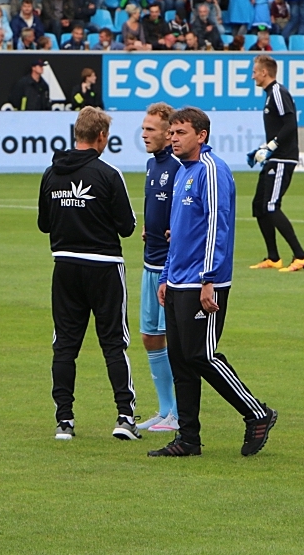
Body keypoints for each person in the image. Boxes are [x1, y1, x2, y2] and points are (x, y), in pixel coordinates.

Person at [147, 107, 277, 458]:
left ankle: (257, 412)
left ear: (201, 135)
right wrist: (165, 275)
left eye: (181, 132)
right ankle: (188, 439)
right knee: (180, 359)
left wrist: (209, 280)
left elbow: (218, 229)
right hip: (177, 281)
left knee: (200, 355)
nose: (173, 138)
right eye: (171, 132)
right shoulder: (182, 172)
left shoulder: (212, 170)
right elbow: (180, 234)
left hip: (204, 281)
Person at [37, 106, 139, 442]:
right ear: (101, 138)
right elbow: (127, 227)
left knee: (65, 345)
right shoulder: (108, 174)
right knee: (113, 343)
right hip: (105, 267)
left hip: (64, 265)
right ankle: (125, 417)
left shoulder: (52, 174)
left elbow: (43, 224)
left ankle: (63, 421)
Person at [131, 103, 183, 434]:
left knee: (175, 340)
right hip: (149, 262)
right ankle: (164, 409)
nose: (144, 134)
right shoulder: (152, 165)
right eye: (143, 128)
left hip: (171, 268)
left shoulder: (178, 167)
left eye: (150, 129)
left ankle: (178, 413)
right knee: (150, 337)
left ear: (168, 132)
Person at [247, 55, 304, 272]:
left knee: (272, 206)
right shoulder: (269, 95)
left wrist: (272, 146)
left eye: (255, 71)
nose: (253, 75)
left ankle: (301, 256)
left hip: (283, 158)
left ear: (264, 72)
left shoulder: (277, 92)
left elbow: (290, 123)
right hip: (274, 157)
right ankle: (273, 257)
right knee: (259, 206)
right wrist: (262, 149)